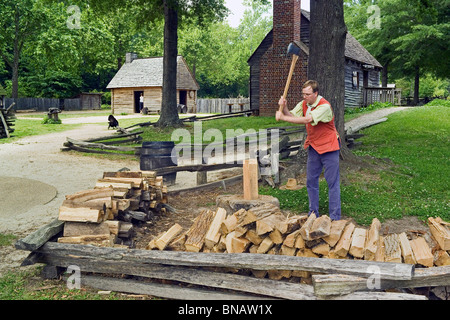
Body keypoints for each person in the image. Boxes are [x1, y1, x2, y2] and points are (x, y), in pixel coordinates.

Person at [276, 80, 341, 221]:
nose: (304, 97)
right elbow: (294, 117)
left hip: (329, 147)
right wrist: (285, 108)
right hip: (314, 146)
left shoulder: (324, 106)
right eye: (303, 94)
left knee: (332, 182)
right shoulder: (304, 104)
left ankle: (335, 217)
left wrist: (282, 117)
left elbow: (307, 120)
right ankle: (313, 213)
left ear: (315, 93)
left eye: (307, 94)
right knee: (311, 181)